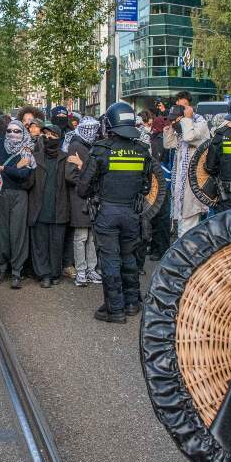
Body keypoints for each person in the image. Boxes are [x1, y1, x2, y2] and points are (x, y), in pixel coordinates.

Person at [78, 102, 151, 323]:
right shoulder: (142, 150)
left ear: (109, 123)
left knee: (110, 260)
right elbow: (146, 186)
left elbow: (83, 187)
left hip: (107, 212)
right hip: (131, 212)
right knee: (129, 257)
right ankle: (131, 303)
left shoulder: (101, 150)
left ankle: (115, 309)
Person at [0, 119, 35, 289]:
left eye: (17, 131)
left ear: (23, 133)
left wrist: (4, 169)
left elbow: (24, 174)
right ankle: (1, 268)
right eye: (10, 130)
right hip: (2, 193)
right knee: (2, 232)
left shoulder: (27, 149)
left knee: (18, 233)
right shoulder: (1, 146)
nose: (12, 134)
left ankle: (17, 272)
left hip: (20, 194)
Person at [29, 124, 70, 287]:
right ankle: (44, 274)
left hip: (59, 209)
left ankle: (54, 273)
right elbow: (28, 182)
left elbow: (74, 181)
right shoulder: (35, 157)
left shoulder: (66, 158)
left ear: (59, 138)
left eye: (52, 135)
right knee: (40, 244)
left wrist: (79, 166)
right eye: (45, 135)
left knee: (56, 244)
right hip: (39, 208)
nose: (48, 138)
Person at [65, 117, 101, 286]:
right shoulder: (76, 146)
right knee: (82, 236)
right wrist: (87, 175)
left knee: (91, 236)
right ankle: (82, 270)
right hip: (80, 197)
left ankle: (89, 269)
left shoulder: (88, 145)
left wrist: (83, 167)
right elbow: (70, 175)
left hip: (88, 197)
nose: (92, 133)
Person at [171, 100, 212, 238]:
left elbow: (189, 137)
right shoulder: (184, 128)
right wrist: (171, 127)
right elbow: (168, 143)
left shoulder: (199, 126)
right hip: (182, 188)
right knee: (185, 227)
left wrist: (187, 119)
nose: (173, 123)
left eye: (176, 120)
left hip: (194, 187)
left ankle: (186, 256)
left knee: (189, 229)